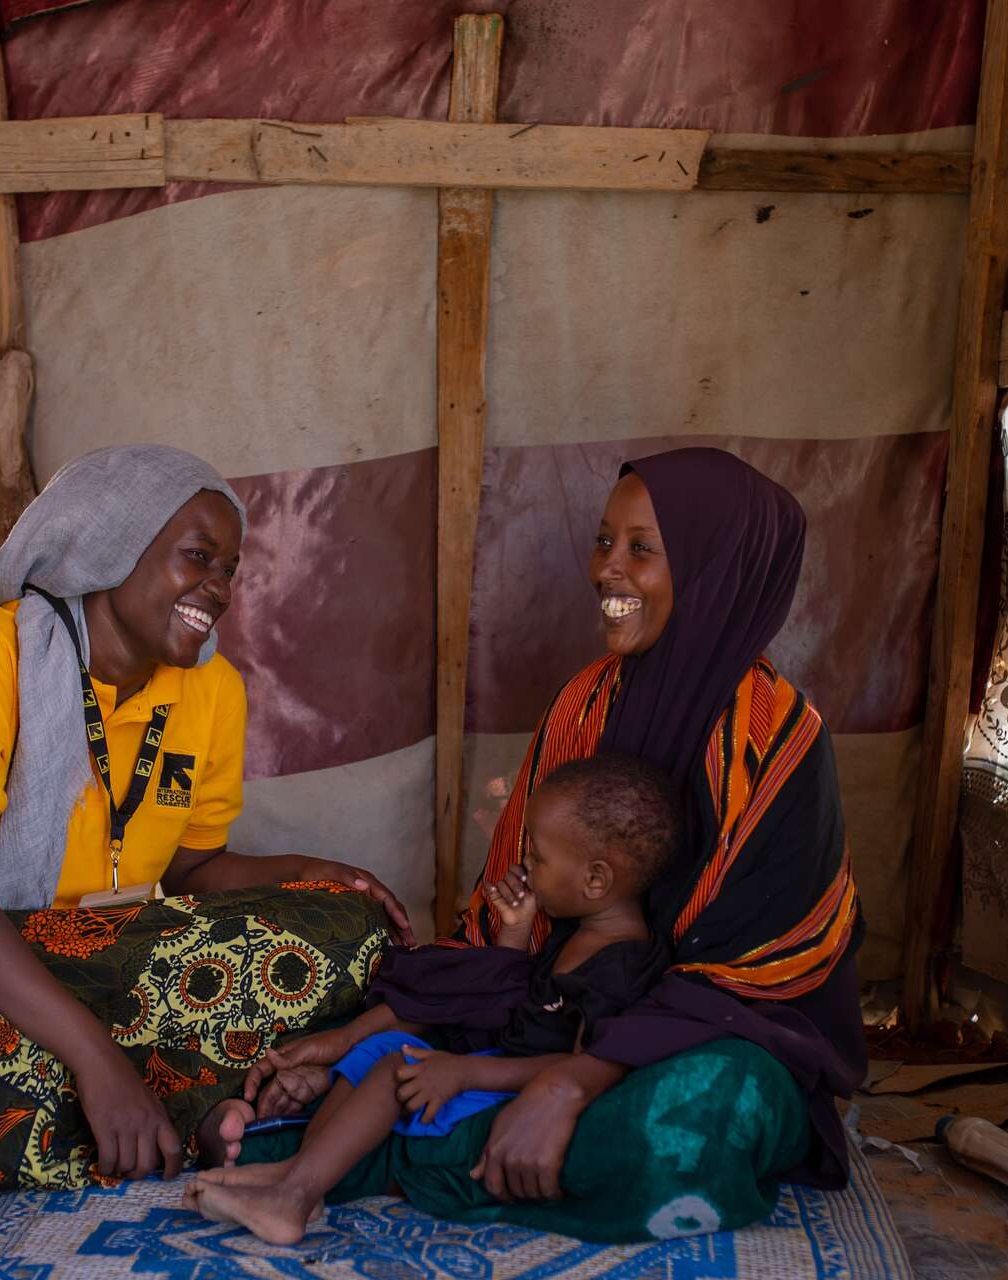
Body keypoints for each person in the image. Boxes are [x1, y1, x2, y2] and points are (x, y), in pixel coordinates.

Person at [0, 445, 409, 1247]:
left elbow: (193, 870)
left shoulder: (212, 692)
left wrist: (309, 874)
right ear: (109, 546)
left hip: (112, 961)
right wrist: (100, 1061)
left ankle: (44, 1108)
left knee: (346, 927)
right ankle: (170, 1094)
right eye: (197, 558)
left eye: (230, 569)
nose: (218, 586)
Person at [234, 447, 867, 1244]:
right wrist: (375, 1030)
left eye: (643, 548)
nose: (608, 570)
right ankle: (390, 1140)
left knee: (695, 1119)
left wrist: (576, 1079)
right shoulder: (585, 703)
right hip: (561, 1011)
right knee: (394, 1020)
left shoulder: (777, 740)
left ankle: (378, 1152)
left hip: (717, 1037)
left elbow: (755, 980)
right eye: (605, 542)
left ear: (717, 568)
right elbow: (515, 927)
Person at [184, 755, 678, 1243]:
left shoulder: (624, 963)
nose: (525, 863)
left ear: (595, 880)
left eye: (540, 857)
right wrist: (515, 935)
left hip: (511, 1082)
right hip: (498, 1060)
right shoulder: (575, 933)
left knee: (400, 1066)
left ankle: (291, 1199)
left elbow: (584, 1064)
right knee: (377, 1050)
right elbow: (516, 1005)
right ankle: (301, 1178)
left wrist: (465, 1071)